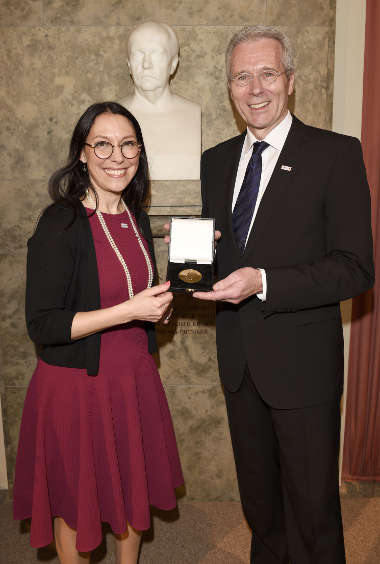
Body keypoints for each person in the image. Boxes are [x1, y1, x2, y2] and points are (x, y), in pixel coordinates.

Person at [193, 25, 374, 564]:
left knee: (313, 511)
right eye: (242, 77)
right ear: (229, 87)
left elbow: (354, 270)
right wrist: (194, 267)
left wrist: (263, 280)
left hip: (304, 368)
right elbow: (220, 250)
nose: (255, 89)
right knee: (262, 506)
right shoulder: (216, 160)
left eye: (267, 73)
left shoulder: (335, 154)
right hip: (240, 364)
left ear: (290, 81)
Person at [13, 101, 183, 564]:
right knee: (76, 501)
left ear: (140, 153)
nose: (117, 155)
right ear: (82, 153)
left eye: (128, 144)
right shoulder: (60, 222)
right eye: (103, 144)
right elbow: (42, 323)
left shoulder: (136, 216)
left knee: (132, 489)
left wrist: (155, 310)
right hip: (76, 387)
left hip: (133, 379)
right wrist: (128, 309)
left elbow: (134, 292)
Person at [122, 21, 201, 180]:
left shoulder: (192, 112)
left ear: (173, 64)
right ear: (129, 64)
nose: (146, 64)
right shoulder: (111, 116)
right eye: (138, 54)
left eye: (156, 54)